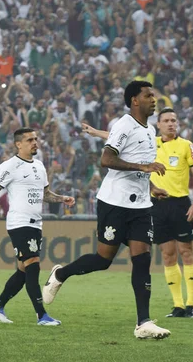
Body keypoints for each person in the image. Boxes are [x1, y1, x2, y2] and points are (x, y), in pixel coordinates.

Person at [42, 81, 172, 339]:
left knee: (142, 259)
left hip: (141, 206)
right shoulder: (123, 125)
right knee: (103, 260)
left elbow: (142, 163)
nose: (153, 99)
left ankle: (143, 322)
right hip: (114, 203)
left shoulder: (148, 130)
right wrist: (144, 169)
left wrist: (152, 185)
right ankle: (61, 273)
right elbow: (107, 159)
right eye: (148, 95)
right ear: (135, 100)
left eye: (154, 95)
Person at [81, 107, 193, 318]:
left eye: (174, 120)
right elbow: (118, 137)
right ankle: (177, 306)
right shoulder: (150, 142)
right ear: (159, 124)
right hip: (155, 204)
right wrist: (95, 132)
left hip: (180, 204)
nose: (171, 124)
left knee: (186, 251)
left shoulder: (186, 146)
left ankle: (191, 304)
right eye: (166, 120)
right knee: (168, 254)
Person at [0, 128, 75, 326]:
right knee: (33, 265)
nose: (35, 142)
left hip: (36, 223)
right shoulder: (10, 166)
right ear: (18, 144)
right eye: (30, 140)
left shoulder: (40, 166)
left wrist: (61, 199)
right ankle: (41, 316)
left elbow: (45, 194)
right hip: (19, 223)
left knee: (23, 271)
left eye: (36, 139)